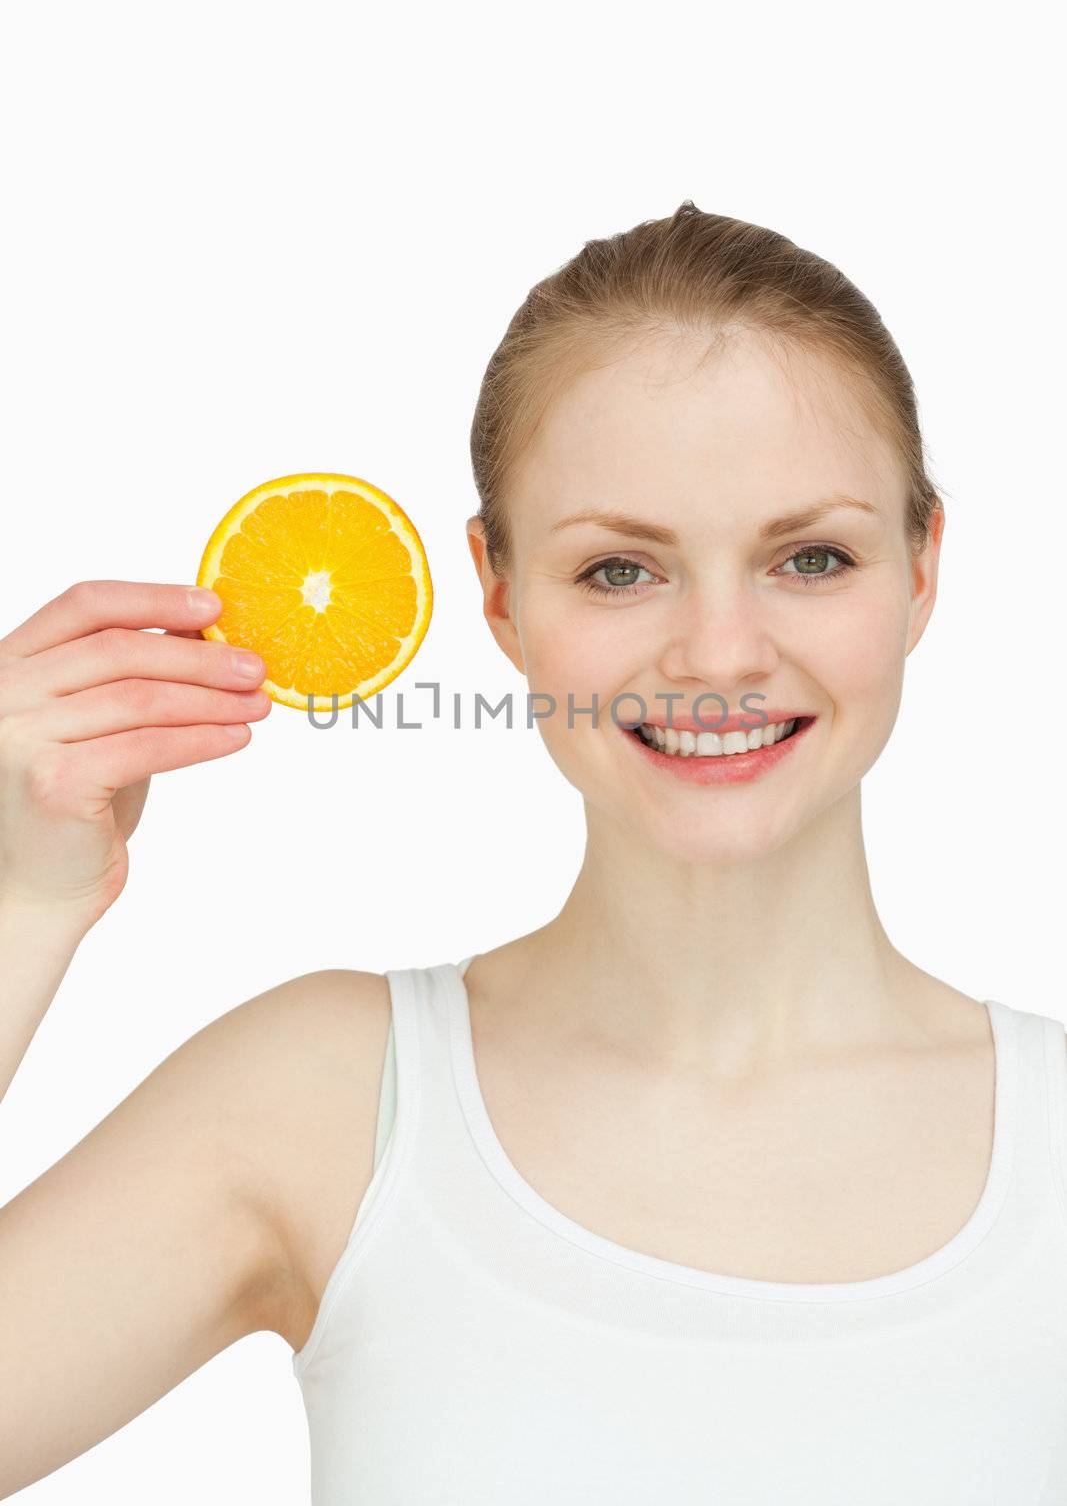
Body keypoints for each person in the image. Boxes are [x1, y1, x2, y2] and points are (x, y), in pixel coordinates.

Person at [2, 201, 1066, 1501]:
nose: (722, 652)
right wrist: (17, 904)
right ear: (499, 593)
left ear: (922, 568)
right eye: (622, 570)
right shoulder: (328, 1102)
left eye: (811, 556)